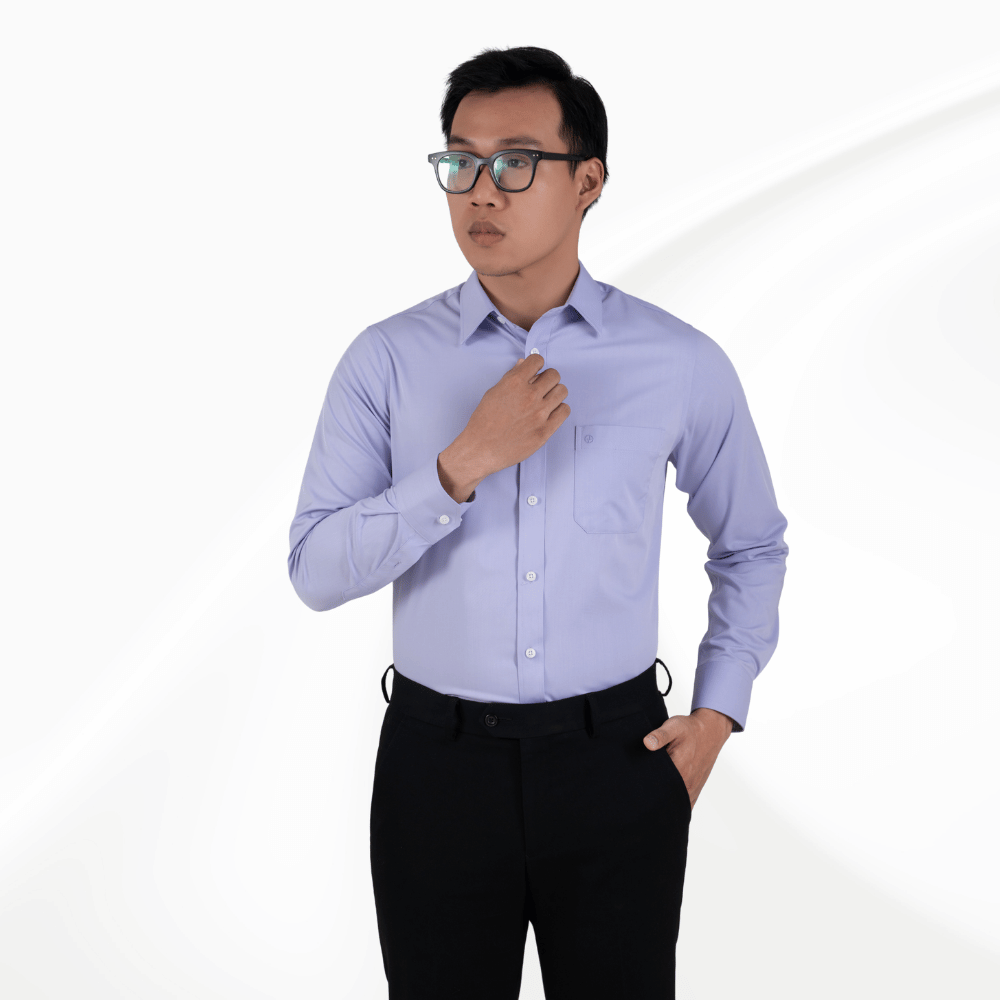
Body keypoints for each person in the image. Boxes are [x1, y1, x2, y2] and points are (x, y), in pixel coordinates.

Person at [287, 44, 788, 1000]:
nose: (481, 191)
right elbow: (314, 569)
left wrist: (718, 715)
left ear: (587, 181)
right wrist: (460, 465)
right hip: (437, 771)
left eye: (515, 162)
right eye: (460, 161)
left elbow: (751, 543)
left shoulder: (677, 361)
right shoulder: (385, 361)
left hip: (618, 765)